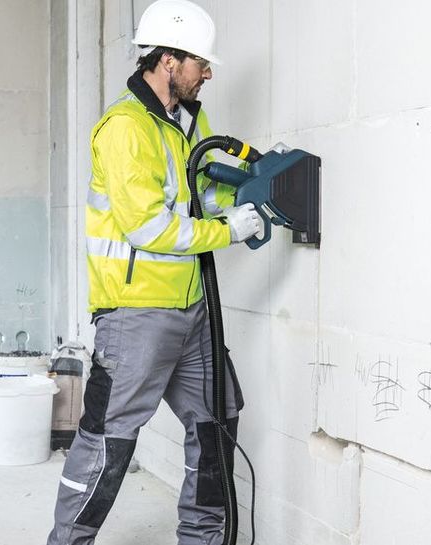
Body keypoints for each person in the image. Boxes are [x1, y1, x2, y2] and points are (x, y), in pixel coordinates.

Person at [46, 1, 265, 544]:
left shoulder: (189, 121)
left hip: (192, 311)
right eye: (200, 63)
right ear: (168, 61)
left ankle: (204, 538)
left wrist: (252, 189)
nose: (207, 72)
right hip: (138, 314)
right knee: (107, 438)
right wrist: (230, 231)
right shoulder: (124, 129)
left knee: (219, 421)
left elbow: (202, 193)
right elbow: (150, 228)